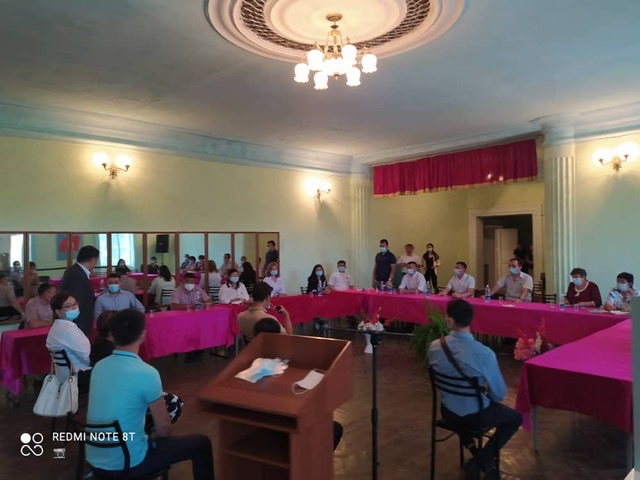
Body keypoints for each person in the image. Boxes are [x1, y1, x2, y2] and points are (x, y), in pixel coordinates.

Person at [86, 309, 214, 479]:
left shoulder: (99, 366)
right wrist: (152, 436)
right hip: (129, 463)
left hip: (95, 459)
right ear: (143, 335)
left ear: (112, 336)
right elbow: (164, 429)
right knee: (201, 443)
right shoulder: (146, 373)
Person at [428, 300, 522, 477]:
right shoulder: (484, 353)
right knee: (515, 418)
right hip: (476, 416)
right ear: (471, 320)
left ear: (450, 320)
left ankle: (475, 452)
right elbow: (499, 394)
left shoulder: (434, 347)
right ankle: (480, 460)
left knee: (463, 413)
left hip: (448, 412)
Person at [252, 317, 343, 451]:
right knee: (334, 428)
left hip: (257, 423)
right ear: (277, 337)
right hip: (282, 424)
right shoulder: (278, 365)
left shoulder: (251, 359)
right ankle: (315, 459)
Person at [46, 293, 92, 393]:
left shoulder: (57, 327)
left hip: (62, 374)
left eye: (75, 304)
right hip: (78, 376)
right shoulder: (67, 330)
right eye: (68, 306)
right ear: (58, 312)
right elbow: (86, 356)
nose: (74, 308)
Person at [61, 245, 100, 335]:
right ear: (93, 259)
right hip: (79, 325)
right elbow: (79, 302)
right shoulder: (77, 275)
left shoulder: (75, 271)